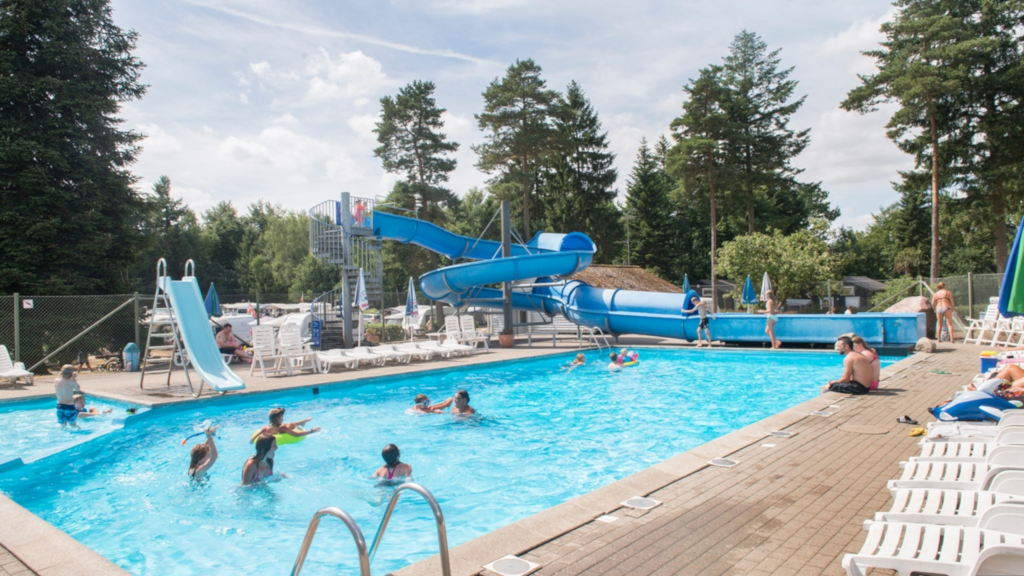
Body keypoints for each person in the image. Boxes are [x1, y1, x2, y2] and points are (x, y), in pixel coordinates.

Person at [252, 407, 320, 441]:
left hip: (274, 430)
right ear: (279, 418)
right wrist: (312, 430)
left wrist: (252, 441)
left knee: (288, 424)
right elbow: (297, 434)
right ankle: (302, 423)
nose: (283, 418)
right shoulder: (283, 429)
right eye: (282, 417)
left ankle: (303, 422)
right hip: (282, 430)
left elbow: (253, 438)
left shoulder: (265, 428)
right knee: (290, 424)